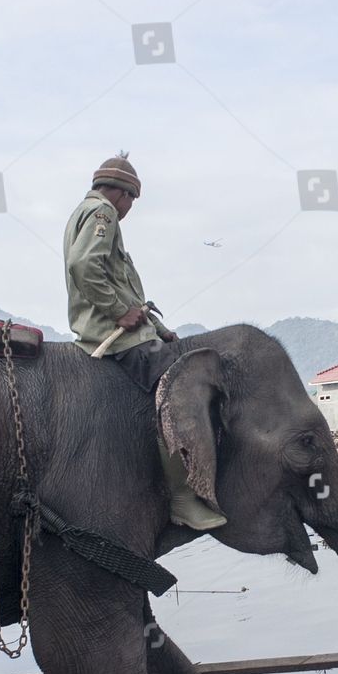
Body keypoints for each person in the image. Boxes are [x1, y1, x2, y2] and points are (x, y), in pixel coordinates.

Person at [64, 154, 226, 531]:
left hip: (124, 328)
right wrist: (120, 311)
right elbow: (83, 265)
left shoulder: (86, 214)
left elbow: (119, 284)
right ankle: (183, 499)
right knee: (176, 390)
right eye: (132, 201)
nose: (129, 209)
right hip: (111, 335)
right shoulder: (102, 213)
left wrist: (154, 325)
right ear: (122, 194)